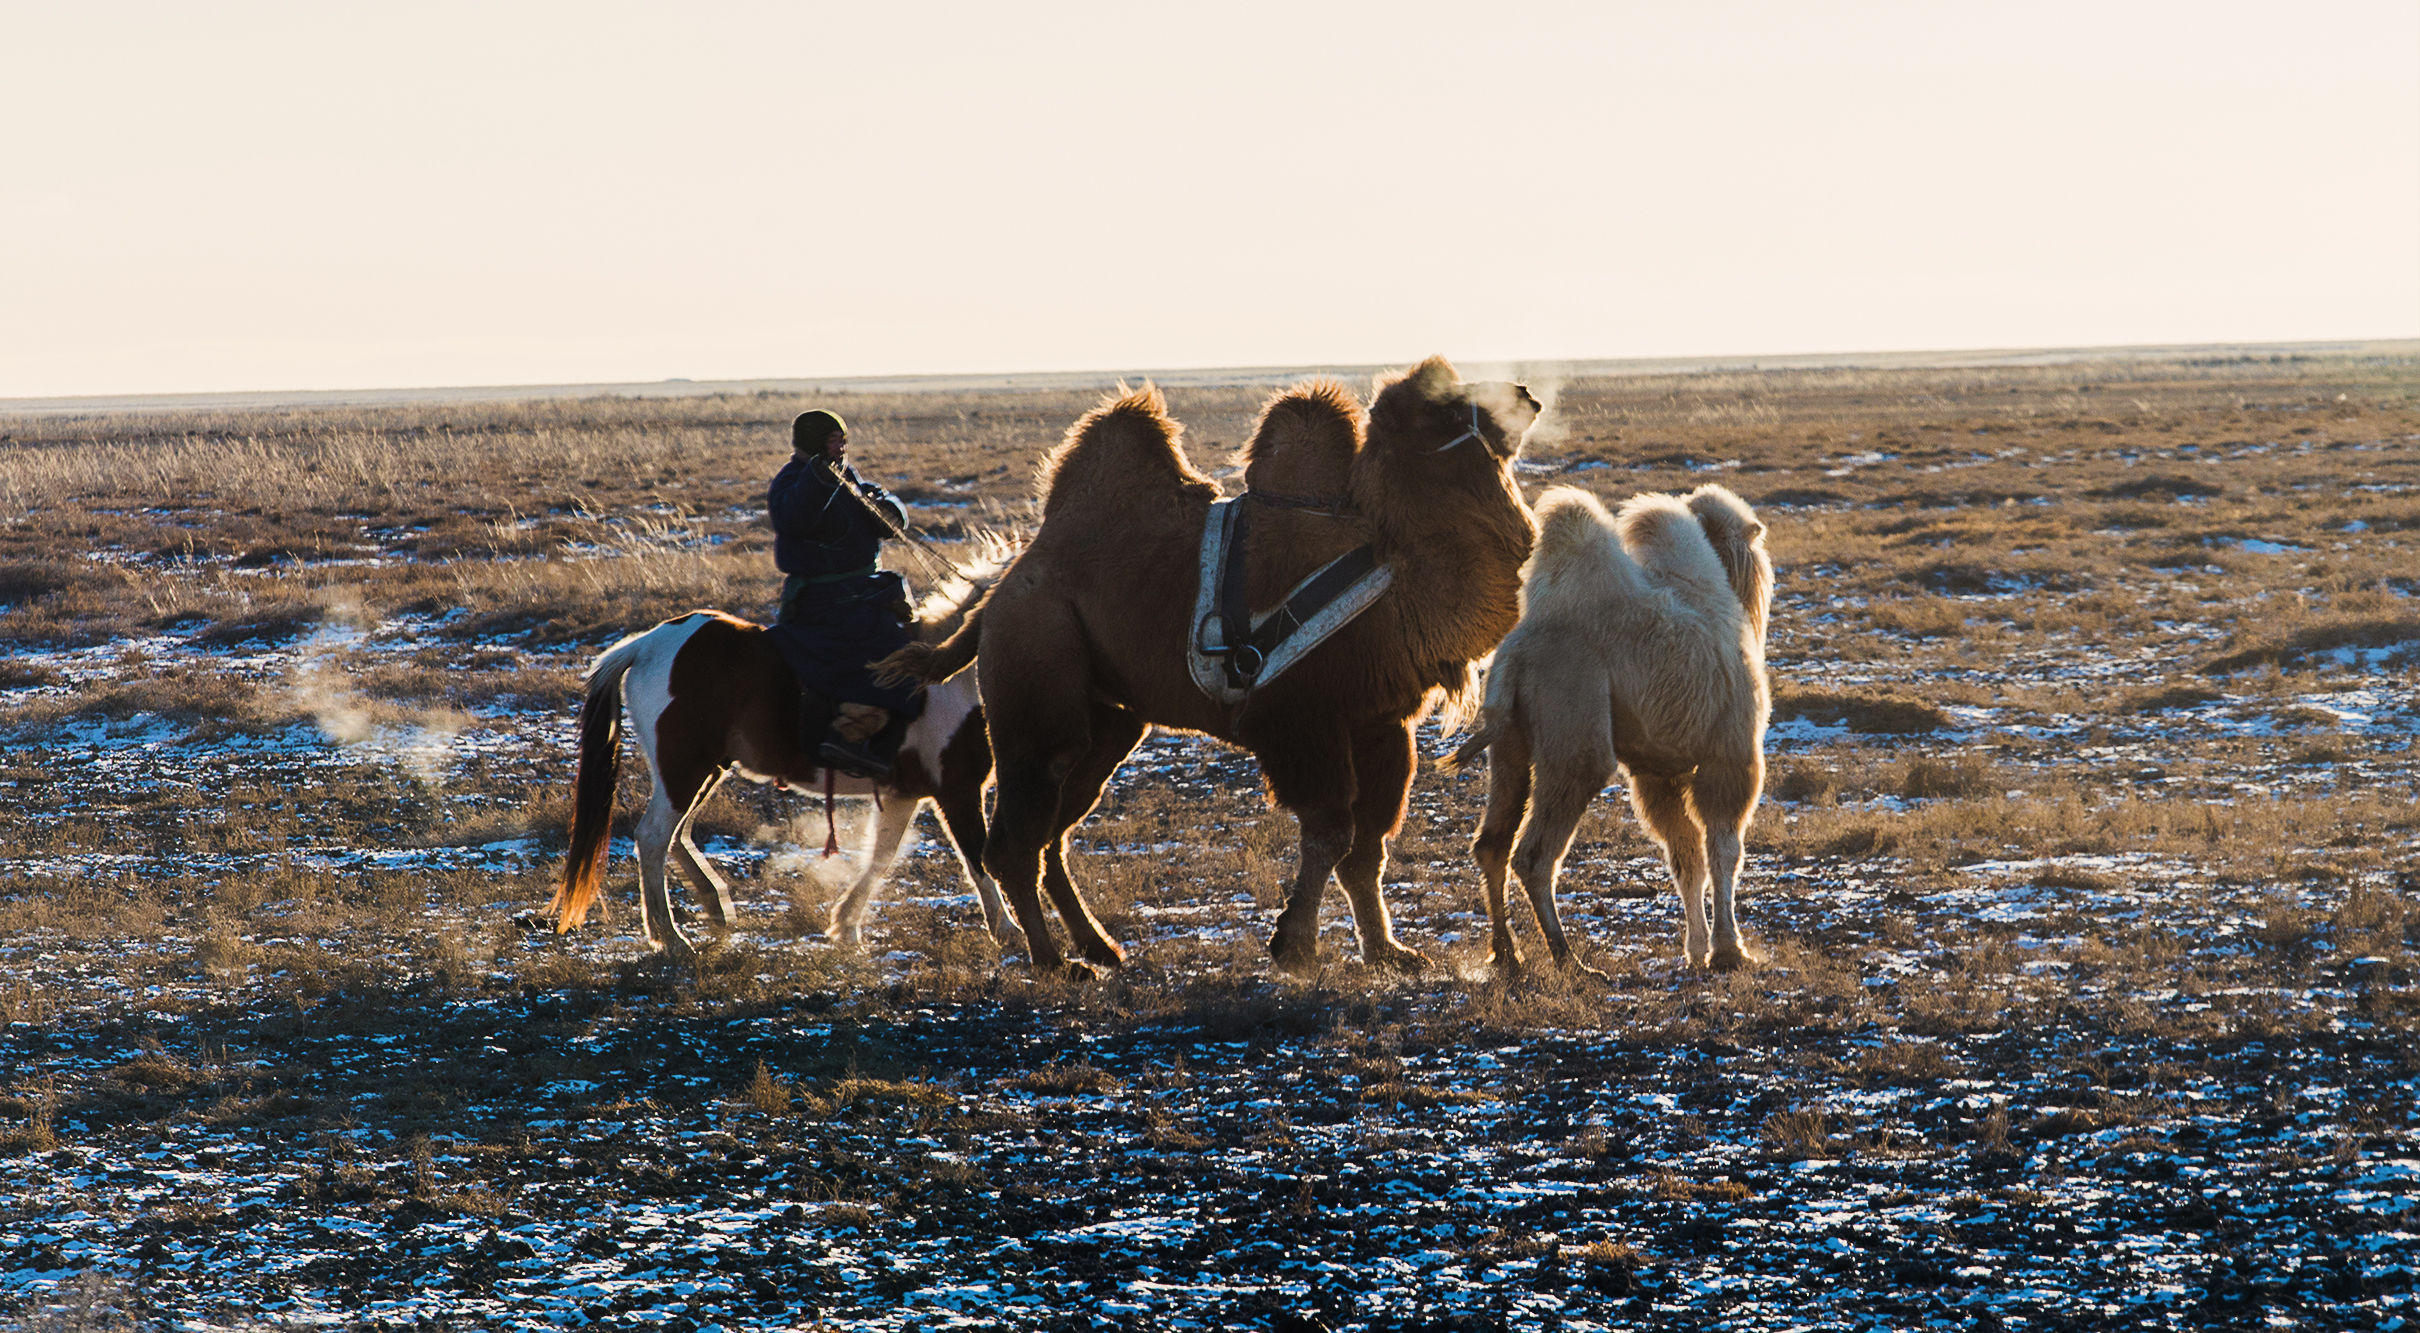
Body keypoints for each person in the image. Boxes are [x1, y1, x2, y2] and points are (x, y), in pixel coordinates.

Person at [768, 409, 923, 778]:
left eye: (843, 439)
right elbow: (793, 519)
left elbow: (888, 509)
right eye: (835, 439)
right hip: (824, 600)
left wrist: (887, 509)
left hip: (859, 590)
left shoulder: (846, 475)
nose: (842, 446)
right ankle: (850, 735)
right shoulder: (791, 481)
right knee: (893, 656)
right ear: (814, 441)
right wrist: (816, 482)